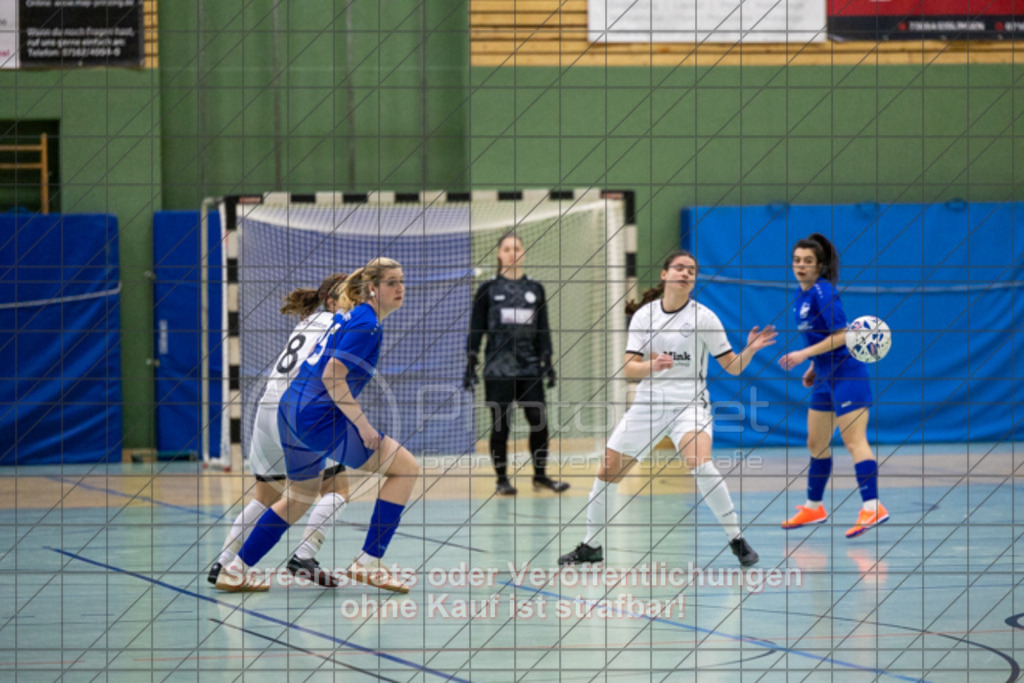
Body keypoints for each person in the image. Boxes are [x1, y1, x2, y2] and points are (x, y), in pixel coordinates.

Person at [559, 250, 776, 568]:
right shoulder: (644, 317)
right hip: (648, 404)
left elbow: (732, 367)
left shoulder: (705, 318)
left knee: (699, 463)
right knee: (607, 472)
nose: (686, 273)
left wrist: (750, 351)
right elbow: (629, 369)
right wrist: (652, 365)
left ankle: (736, 538)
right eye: (679, 267)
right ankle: (591, 546)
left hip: (690, 404)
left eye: (691, 270)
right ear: (664, 275)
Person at [215, 258, 420, 593]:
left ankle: (234, 569)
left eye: (401, 281)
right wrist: (364, 427)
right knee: (406, 469)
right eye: (391, 283)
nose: (400, 288)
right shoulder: (366, 325)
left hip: (290, 411)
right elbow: (332, 376)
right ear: (372, 288)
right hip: (316, 416)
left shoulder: (355, 317)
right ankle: (369, 561)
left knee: (302, 495)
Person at [207, 274, 351, 588]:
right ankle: (304, 555)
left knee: (265, 495)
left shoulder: (308, 322)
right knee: (336, 489)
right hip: (298, 414)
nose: (355, 300)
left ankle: (222, 563)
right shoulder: (339, 324)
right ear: (332, 300)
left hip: (266, 409)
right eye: (350, 294)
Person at [778, 233, 888, 538]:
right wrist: (815, 366)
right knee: (817, 444)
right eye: (797, 260)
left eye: (808, 262)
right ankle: (814, 507)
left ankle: (873, 506)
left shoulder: (823, 291)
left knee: (855, 442)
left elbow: (842, 335)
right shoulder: (802, 295)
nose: (801, 266)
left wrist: (803, 355)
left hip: (847, 375)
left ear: (820, 266)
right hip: (825, 377)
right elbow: (822, 337)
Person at [464, 232, 568, 496]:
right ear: (499, 253)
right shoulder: (488, 289)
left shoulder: (535, 289)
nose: (513, 253)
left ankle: (541, 476)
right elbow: (477, 328)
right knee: (501, 425)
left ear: (523, 253)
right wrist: (471, 360)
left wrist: (547, 360)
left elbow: (542, 328)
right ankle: (502, 479)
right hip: (498, 369)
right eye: (507, 248)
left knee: (539, 421)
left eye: (517, 248)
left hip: (529, 367)